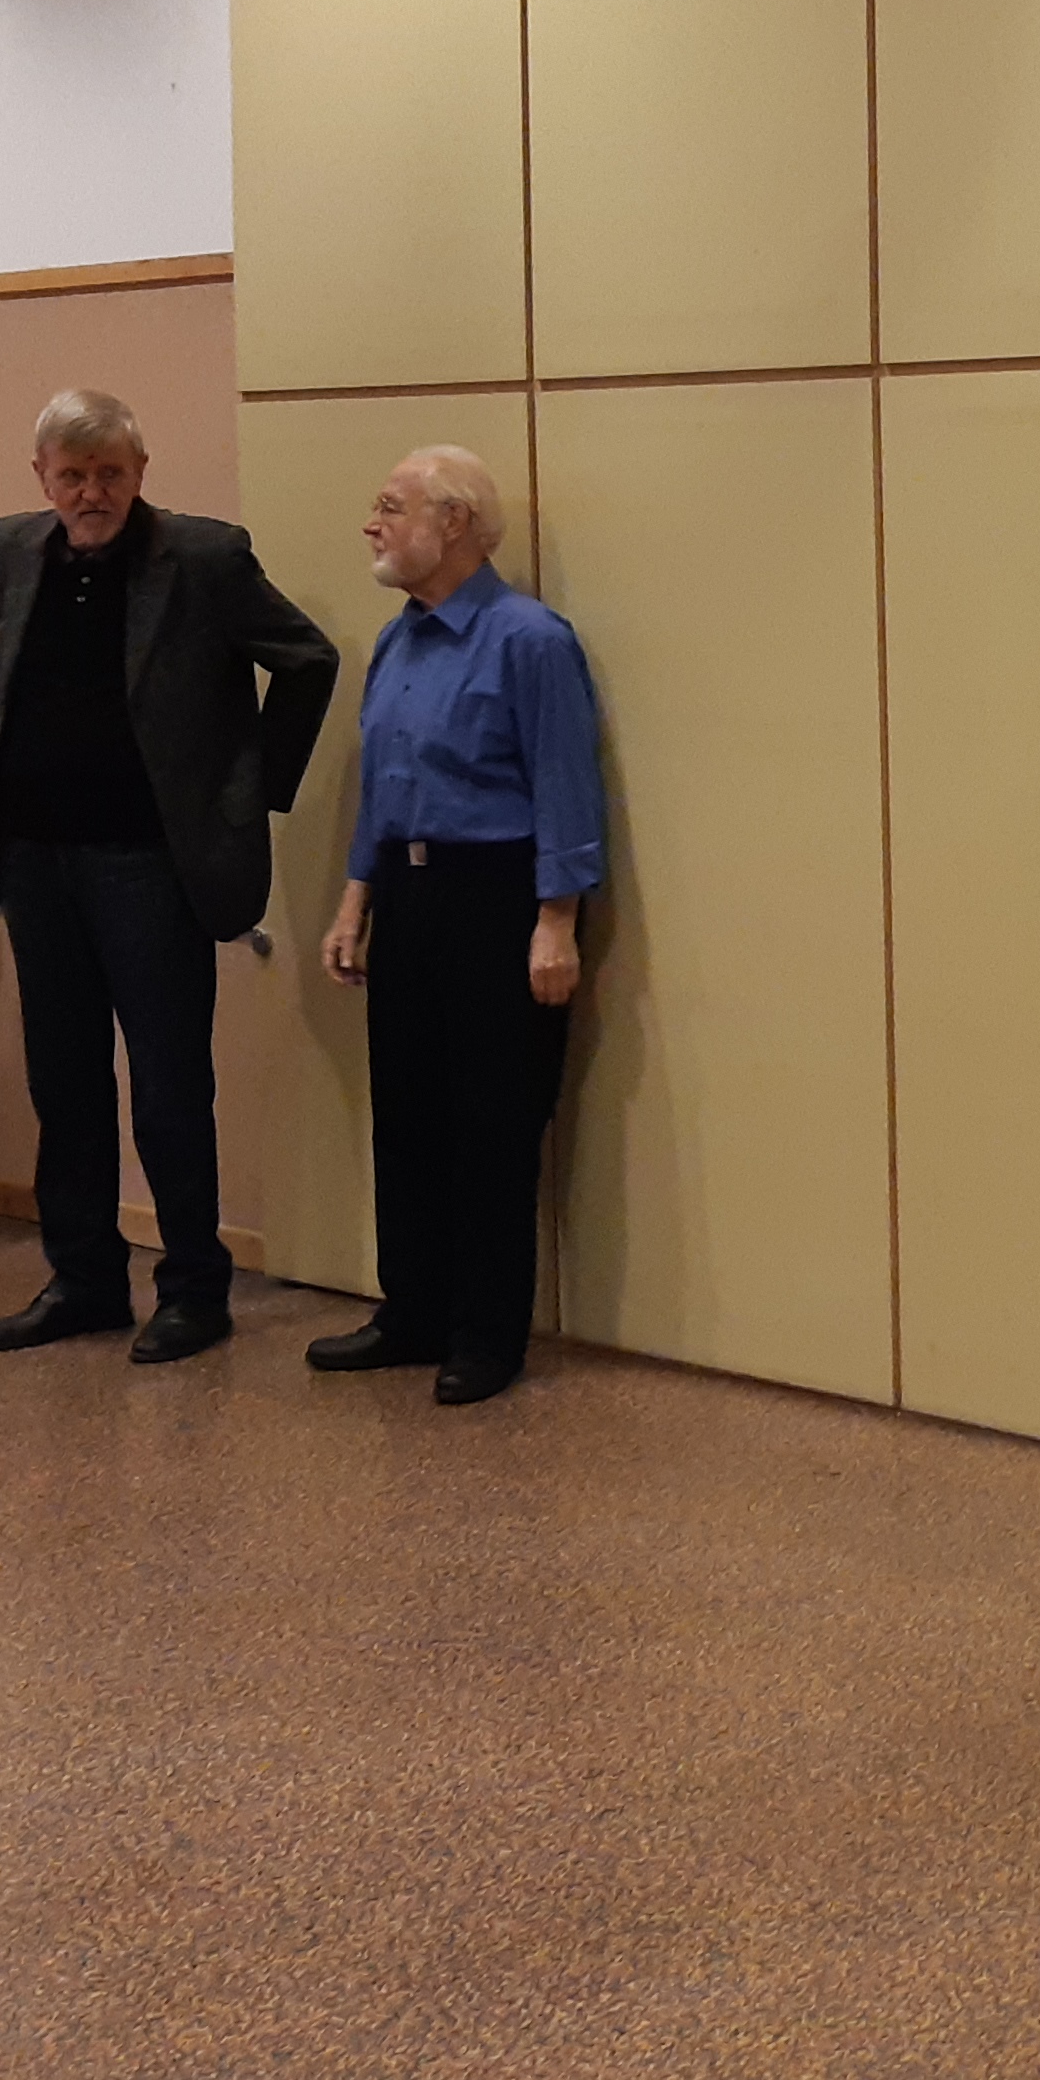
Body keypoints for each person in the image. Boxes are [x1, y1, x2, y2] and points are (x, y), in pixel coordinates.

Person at [0, 389, 340, 1365]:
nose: (91, 493)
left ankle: (194, 1290)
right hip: (36, 860)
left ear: (141, 472)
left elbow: (307, 659)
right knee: (65, 1083)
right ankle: (84, 1279)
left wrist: (249, 789)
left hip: (150, 865)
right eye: (72, 476)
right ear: (42, 477)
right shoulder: (7, 548)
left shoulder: (204, 558)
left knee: (170, 1084)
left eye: (110, 474)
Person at [315, 447, 604, 1408]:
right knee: (406, 1115)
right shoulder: (396, 641)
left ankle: (486, 1336)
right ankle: (413, 1313)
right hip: (407, 898)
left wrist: (555, 923)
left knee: (492, 1124)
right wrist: (355, 901)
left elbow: (565, 784)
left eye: (391, 507)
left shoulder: (531, 640)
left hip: (496, 898)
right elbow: (381, 787)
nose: (373, 525)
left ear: (455, 523)